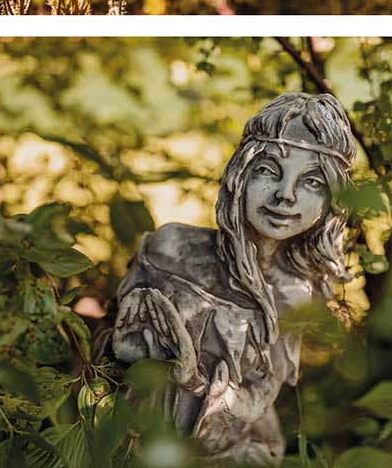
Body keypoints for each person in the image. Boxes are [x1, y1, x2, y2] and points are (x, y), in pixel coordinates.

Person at [112, 92, 358, 463]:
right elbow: (112, 345)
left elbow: (260, 395)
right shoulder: (172, 249)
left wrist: (209, 388)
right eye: (268, 170)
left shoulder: (297, 292)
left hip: (230, 451)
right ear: (239, 175)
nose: (285, 196)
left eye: (311, 183)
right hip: (137, 437)